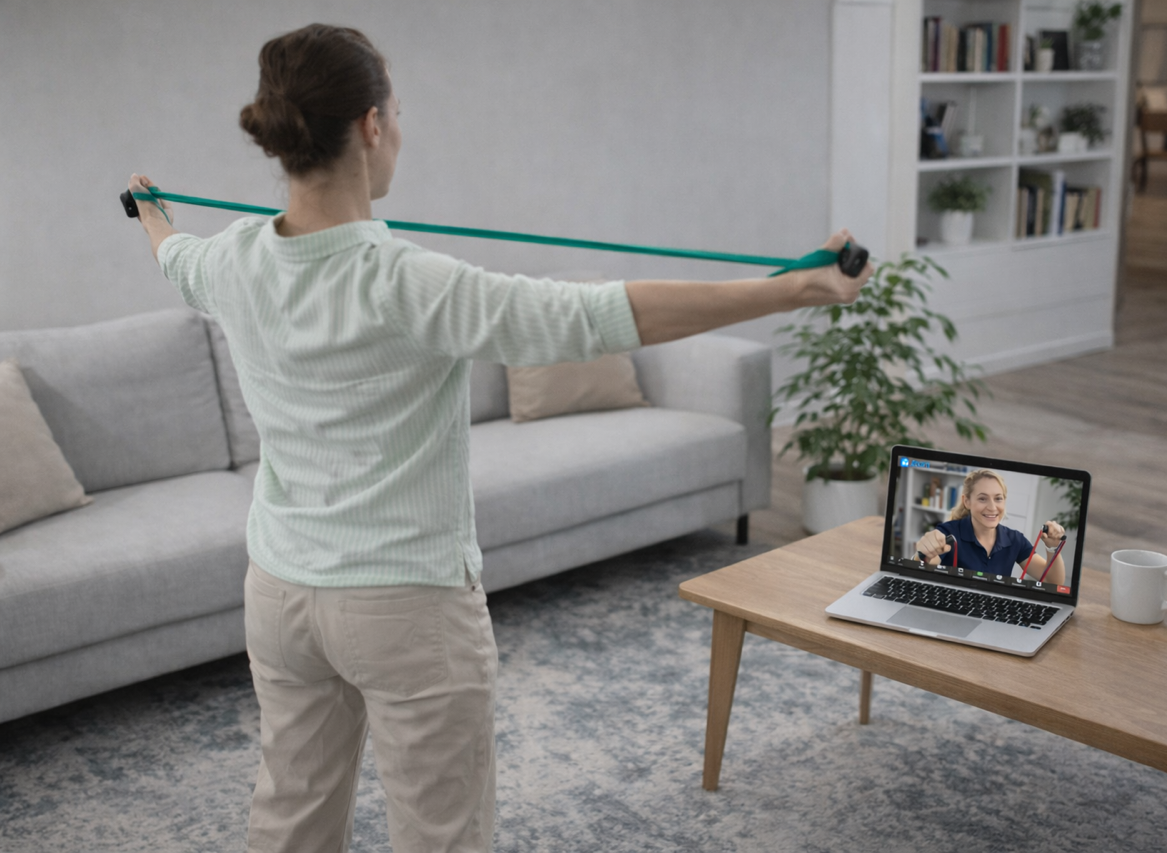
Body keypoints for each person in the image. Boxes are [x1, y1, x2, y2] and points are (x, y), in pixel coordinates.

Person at [125, 23, 872, 853]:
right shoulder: (408, 281)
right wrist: (794, 288)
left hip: (279, 594)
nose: (399, 130)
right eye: (397, 113)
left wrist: (151, 212)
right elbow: (600, 317)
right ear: (371, 125)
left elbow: (173, 256)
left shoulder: (230, 260)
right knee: (440, 834)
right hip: (405, 603)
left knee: (289, 817)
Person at [914, 469, 1067, 586]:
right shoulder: (947, 533)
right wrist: (923, 554)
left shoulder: (1015, 540)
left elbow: (1051, 582)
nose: (992, 507)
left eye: (998, 499)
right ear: (966, 501)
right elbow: (920, 571)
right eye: (982, 498)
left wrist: (1053, 548)